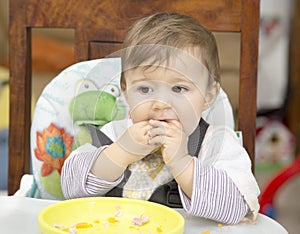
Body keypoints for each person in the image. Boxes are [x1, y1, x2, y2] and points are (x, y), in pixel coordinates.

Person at [61, 12, 260, 224]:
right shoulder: (114, 134)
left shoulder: (217, 144)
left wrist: (182, 164)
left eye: (179, 88)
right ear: (126, 92)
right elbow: (70, 188)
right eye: (145, 89)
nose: (161, 104)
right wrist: (120, 153)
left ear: (209, 95)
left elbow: (238, 208)